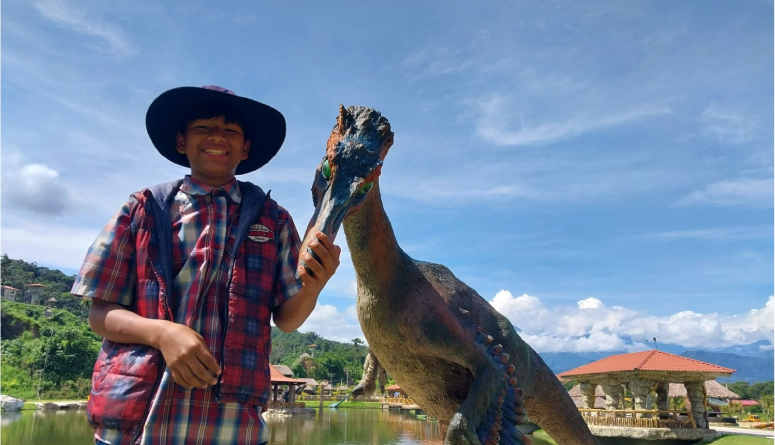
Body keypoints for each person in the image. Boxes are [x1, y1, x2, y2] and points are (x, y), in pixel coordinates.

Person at [71, 85, 341, 445]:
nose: (217, 136)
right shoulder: (141, 210)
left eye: (230, 131)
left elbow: (288, 319)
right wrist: (161, 333)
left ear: (245, 148)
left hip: (232, 426)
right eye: (203, 128)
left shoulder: (273, 219)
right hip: (138, 424)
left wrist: (315, 284)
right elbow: (100, 314)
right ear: (182, 141)